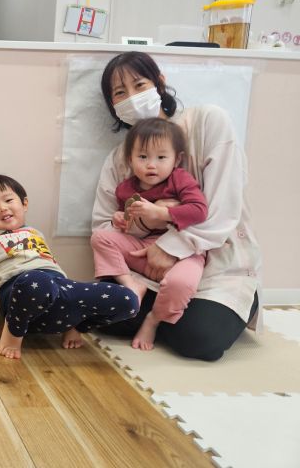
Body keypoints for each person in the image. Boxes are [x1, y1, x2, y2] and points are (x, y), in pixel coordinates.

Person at [92, 51, 261, 361]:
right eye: (120, 93)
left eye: (139, 85)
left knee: (198, 339)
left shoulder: (207, 122)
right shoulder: (118, 159)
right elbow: (103, 224)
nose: (132, 97)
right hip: (146, 267)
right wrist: (136, 224)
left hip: (214, 265)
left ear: (159, 83)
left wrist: (171, 244)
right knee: (98, 313)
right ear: (113, 105)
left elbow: (224, 208)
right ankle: (165, 313)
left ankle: (208, 312)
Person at [0, 175, 139, 359]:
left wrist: (64, 289)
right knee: (36, 281)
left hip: (58, 289)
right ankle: (13, 333)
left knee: (128, 299)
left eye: (8, 200)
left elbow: (48, 262)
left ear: (24, 204)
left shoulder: (35, 232)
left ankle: (77, 327)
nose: (2, 208)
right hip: (19, 294)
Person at [91, 117, 207, 350]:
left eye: (161, 157)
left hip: (182, 253)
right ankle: (131, 284)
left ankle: (153, 320)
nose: (151, 165)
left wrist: (162, 212)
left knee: (181, 283)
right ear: (130, 159)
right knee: (100, 238)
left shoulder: (179, 179)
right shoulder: (125, 189)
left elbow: (199, 210)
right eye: (143, 157)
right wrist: (119, 220)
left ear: (177, 160)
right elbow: (129, 226)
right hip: (143, 251)